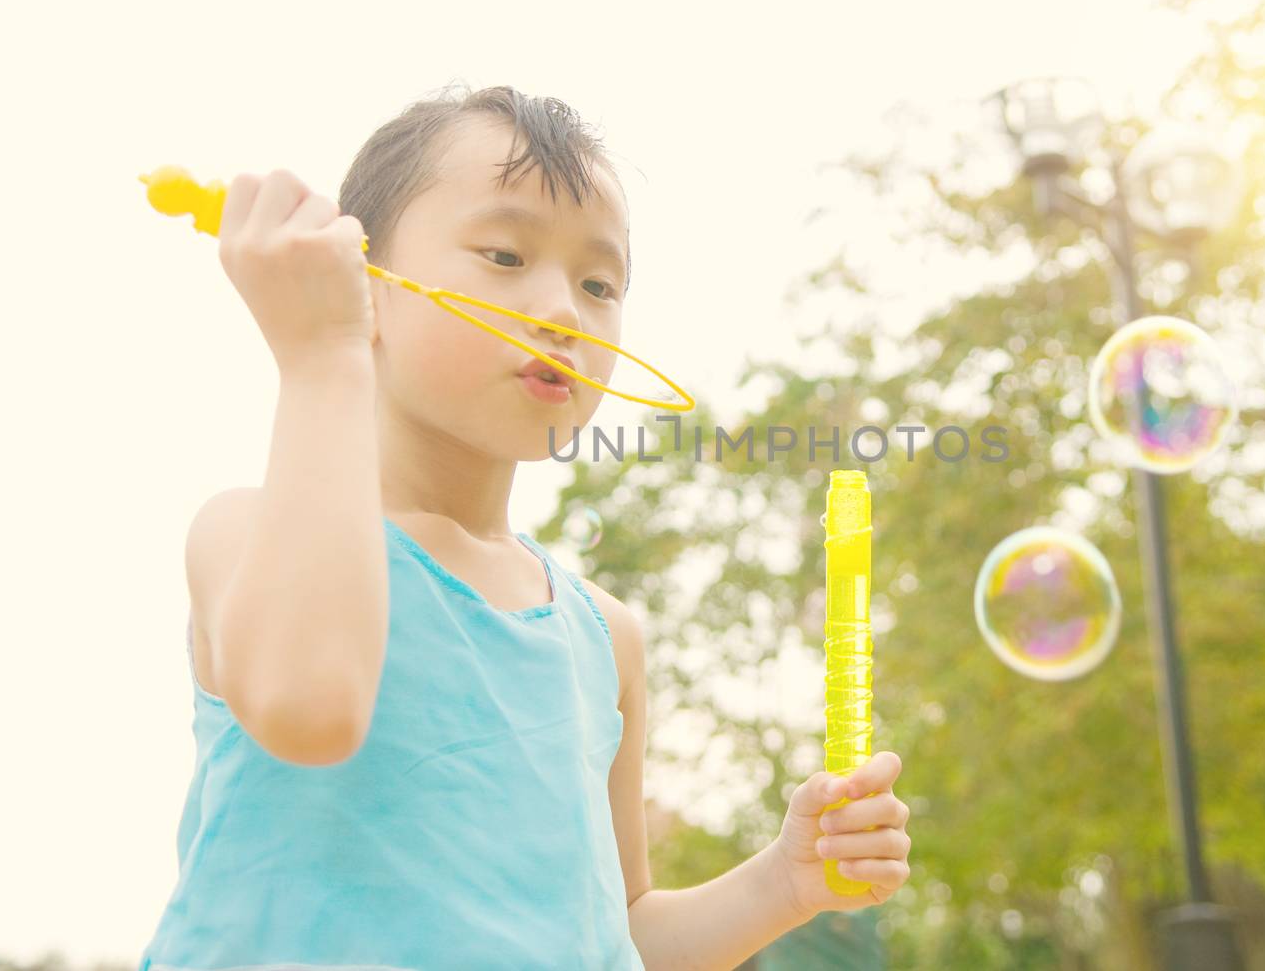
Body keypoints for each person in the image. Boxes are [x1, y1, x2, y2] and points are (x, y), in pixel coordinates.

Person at [137, 83, 911, 971]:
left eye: (598, 283)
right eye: (505, 254)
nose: (564, 314)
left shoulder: (603, 635)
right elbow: (312, 709)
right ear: (364, 284)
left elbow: (616, 932)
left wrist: (783, 882)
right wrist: (320, 357)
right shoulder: (249, 532)